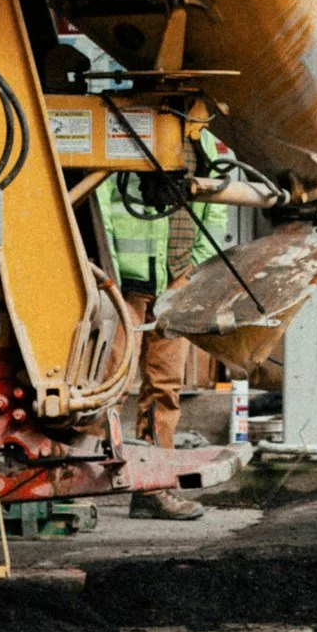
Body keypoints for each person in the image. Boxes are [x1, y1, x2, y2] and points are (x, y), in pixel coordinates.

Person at [94, 173, 220, 518]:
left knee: (164, 387)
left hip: (173, 280)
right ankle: (76, 482)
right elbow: (100, 204)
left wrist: (192, 269)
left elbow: (215, 206)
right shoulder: (120, 139)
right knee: (108, 383)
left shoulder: (199, 142)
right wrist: (109, 269)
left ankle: (154, 488)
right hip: (122, 284)